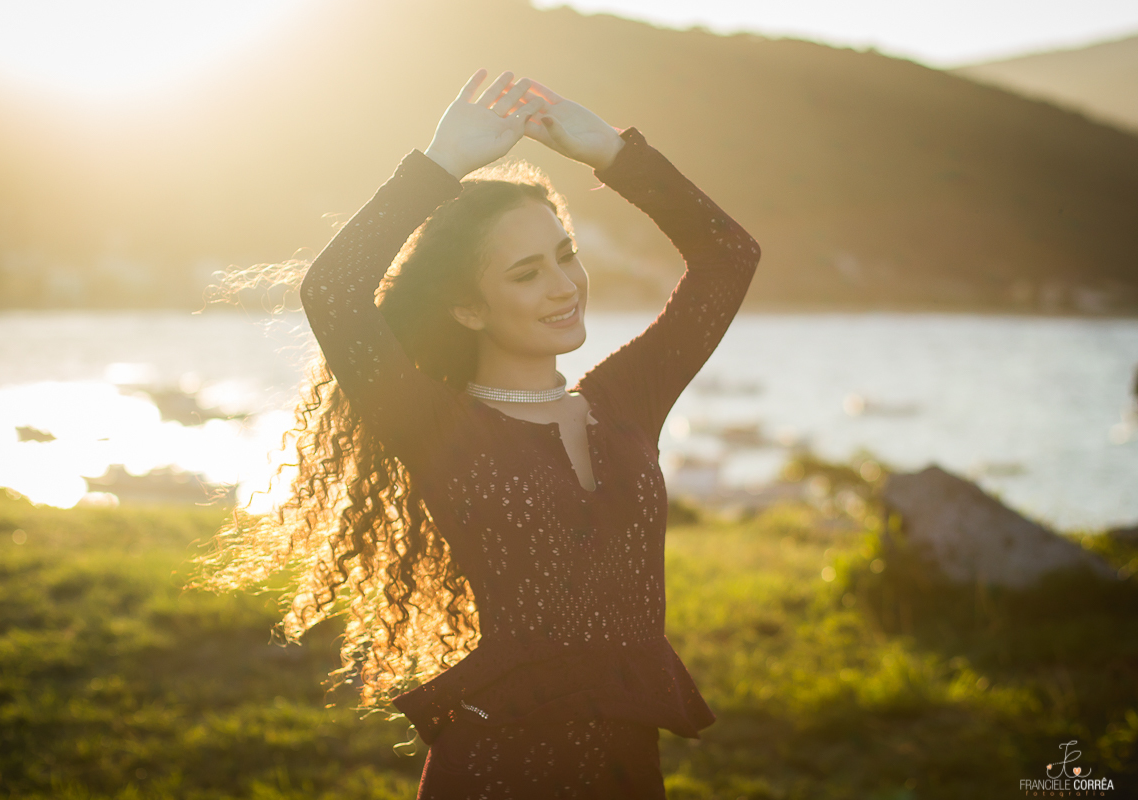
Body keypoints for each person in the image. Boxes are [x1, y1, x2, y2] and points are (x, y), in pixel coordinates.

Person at [197, 68, 760, 798]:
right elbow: (332, 291)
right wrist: (438, 166)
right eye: (526, 274)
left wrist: (613, 154)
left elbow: (727, 257)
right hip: (494, 773)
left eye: (566, 255)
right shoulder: (436, 424)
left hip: (626, 775)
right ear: (468, 309)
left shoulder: (623, 405)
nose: (564, 286)